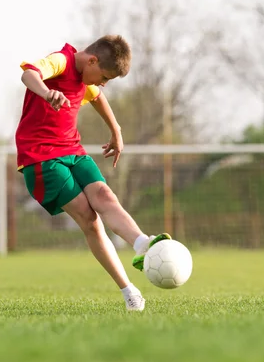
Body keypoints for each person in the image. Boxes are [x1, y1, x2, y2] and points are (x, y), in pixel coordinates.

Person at [15, 35, 170, 311]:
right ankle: (129, 291)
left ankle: (142, 243)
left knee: (105, 196)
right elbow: (29, 74)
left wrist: (116, 131)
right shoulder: (61, 61)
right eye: (104, 77)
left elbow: (98, 97)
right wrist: (47, 92)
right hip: (41, 159)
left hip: (72, 151)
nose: (103, 84)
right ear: (92, 60)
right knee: (90, 220)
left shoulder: (87, 80)